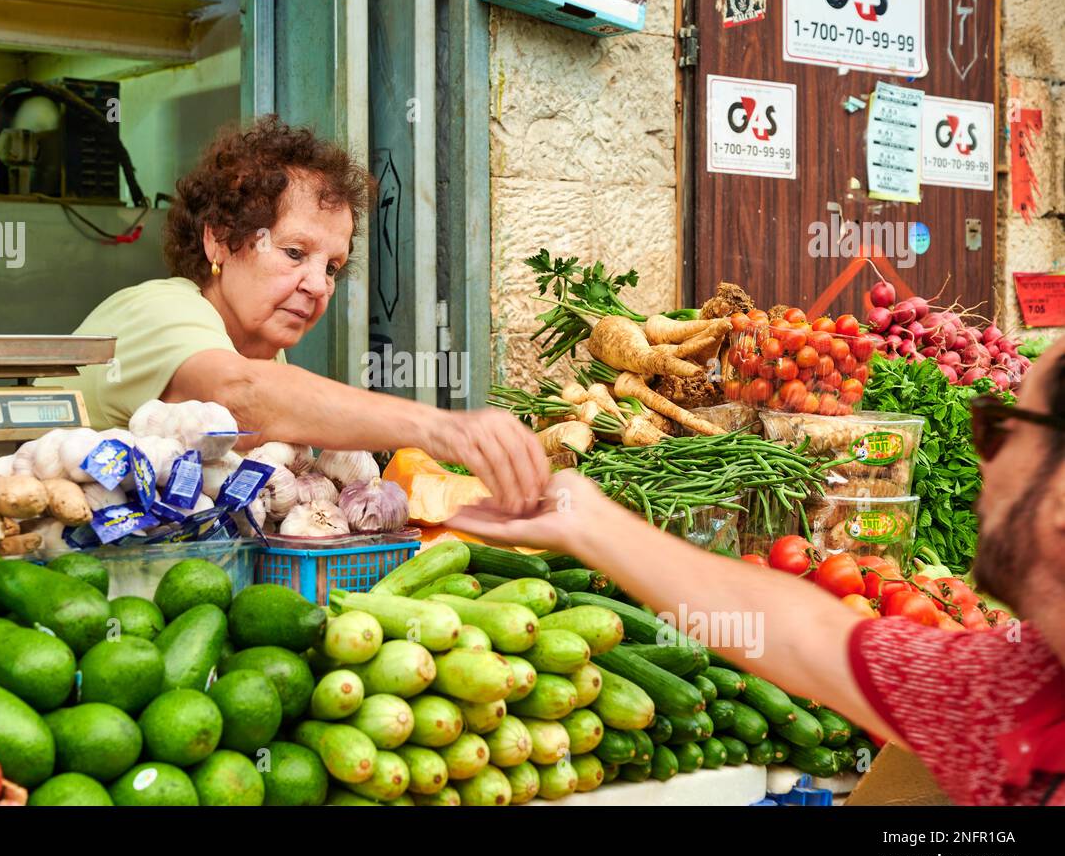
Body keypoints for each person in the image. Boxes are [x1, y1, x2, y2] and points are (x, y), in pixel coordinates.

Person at [450, 339, 1065, 806]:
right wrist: (587, 520)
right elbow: (805, 633)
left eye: (1003, 431)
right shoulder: (1014, 685)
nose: (988, 464)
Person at [51, 116, 547, 513]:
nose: (318, 285)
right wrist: (443, 429)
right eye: (294, 253)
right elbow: (240, 399)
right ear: (219, 239)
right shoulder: (161, 309)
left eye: (331, 266)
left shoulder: (264, 356)